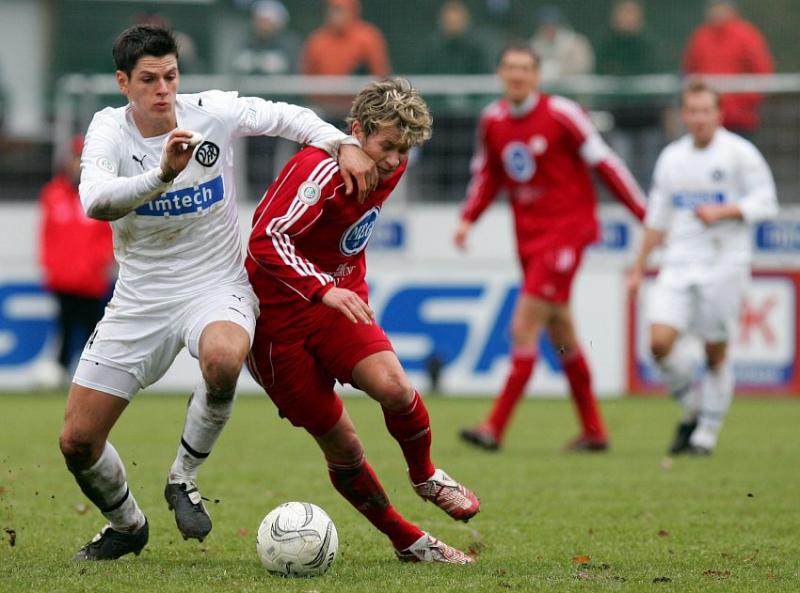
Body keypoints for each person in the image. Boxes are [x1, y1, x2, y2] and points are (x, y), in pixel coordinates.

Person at [58, 24, 377, 561]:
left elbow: (285, 116)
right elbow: (95, 200)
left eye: (170, 76)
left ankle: (183, 478)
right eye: (149, 79)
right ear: (123, 82)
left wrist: (341, 142)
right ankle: (128, 525)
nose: (164, 89)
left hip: (216, 284)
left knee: (225, 357)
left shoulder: (211, 111)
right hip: (140, 298)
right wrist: (162, 175)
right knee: (77, 442)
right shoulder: (109, 129)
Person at [246, 78, 478, 565]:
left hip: (340, 302)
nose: (393, 160)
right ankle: (408, 540)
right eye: (385, 146)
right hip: (276, 324)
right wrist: (322, 286)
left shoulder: (390, 163)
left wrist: (335, 287)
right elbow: (265, 238)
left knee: (395, 387)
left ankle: (425, 475)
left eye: (404, 150)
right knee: (345, 447)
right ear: (357, 131)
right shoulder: (318, 171)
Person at [455, 44, 647, 452]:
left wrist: (644, 213)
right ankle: (594, 431)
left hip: (567, 233)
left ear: (537, 76)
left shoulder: (563, 114)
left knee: (523, 326)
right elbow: (487, 175)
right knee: (562, 332)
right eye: (510, 68)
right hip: (528, 238)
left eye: (525, 68)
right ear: (500, 74)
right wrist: (469, 218)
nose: (517, 75)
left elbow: (605, 164)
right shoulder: (492, 120)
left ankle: (494, 427)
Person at [627, 79, 778, 455]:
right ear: (683, 114)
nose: (699, 118)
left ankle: (706, 435)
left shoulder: (740, 154)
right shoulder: (672, 158)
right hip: (678, 262)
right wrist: (638, 267)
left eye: (706, 111)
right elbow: (657, 217)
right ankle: (693, 409)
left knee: (714, 352)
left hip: (725, 263)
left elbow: (766, 202)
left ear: (719, 114)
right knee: (658, 344)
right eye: (692, 111)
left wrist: (725, 211)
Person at [38, 135, 114, 383]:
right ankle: (62, 373)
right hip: (63, 278)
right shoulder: (53, 194)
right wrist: (50, 266)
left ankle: (94, 377)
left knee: (93, 330)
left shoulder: (100, 193)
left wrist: (97, 263)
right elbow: (47, 235)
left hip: (91, 279)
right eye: (75, 158)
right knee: (65, 326)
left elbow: (109, 235)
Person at [682, 0, 773, 137]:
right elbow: (690, 70)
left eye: (720, 6)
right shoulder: (701, 36)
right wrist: (700, 106)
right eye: (713, 6)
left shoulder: (746, 35)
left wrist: (742, 106)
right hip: (706, 120)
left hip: (739, 121)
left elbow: (762, 71)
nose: (716, 11)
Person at [300, 0, 390, 78]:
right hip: (325, 93)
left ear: (352, 10)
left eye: (341, 10)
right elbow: (308, 76)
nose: (337, 15)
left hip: (361, 92)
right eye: (333, 10)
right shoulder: (317, 41)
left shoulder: (367, 38)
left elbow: (380, 72)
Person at [414, 1, 491, 75]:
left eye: (457, 16)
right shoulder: (430, 50)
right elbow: (420, 78)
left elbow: (483, 79)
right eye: (449, 17)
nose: (453, 20)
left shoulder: (476, 51)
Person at [232, 0, 301, 76]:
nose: (262, 26)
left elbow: (294, 71)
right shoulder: (247, 42)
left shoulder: (289, 44)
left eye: (267, 22)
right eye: (259, 21)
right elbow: (236, 65)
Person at [530, 6, 594, 82]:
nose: (549, 29)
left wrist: (559, 70)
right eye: (546, 26)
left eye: (552, 25)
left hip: (573, 83)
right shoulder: (536, 43)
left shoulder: (576, 42)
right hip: (546, 83)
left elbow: (584, 65)